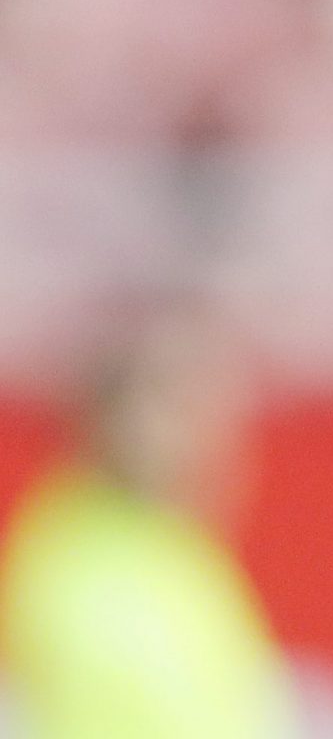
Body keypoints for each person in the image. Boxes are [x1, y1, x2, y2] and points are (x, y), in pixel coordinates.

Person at [0, 310, 296, 739]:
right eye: (179, 403)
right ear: (108, 414)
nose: (206, 430)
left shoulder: (178, 550)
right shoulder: (76, 567)